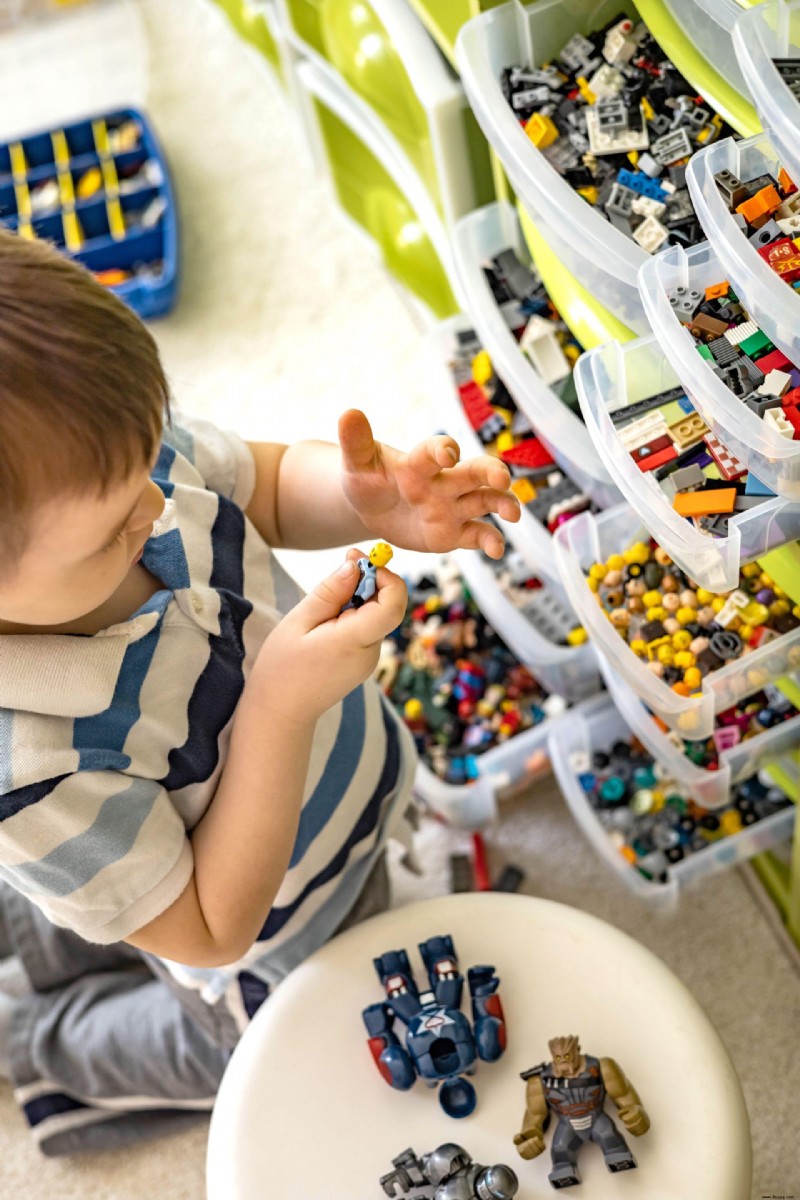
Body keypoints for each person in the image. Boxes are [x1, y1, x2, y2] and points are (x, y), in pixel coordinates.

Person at [0, 231, 520, 1155]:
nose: (157, 507)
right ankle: (31, 1041)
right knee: (236, 1059)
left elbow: (268, 484)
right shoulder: (31, 769)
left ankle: (45, 927)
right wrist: (279, 706)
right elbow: (207, 929)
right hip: (269, 934)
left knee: (91, 892)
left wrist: (369, 503)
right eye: (115, 529)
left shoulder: (112, 460)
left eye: (148, 466)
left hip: (328, 807)